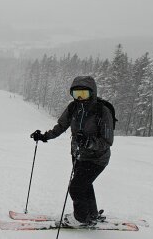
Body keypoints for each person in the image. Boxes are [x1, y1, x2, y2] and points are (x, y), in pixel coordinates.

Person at [30, 76, 114, 226]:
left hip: (97, 159)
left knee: (76, 188)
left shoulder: (102, 111)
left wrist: (88, 142)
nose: (80, 98)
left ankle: (80, 218)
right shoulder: (73, 108)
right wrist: (44, 136)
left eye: (84, 93)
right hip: (78, 156)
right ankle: (91, 214)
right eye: (76, 94)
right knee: (84, 184)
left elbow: (107, 141)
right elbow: (61, 126)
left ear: (92, 93)